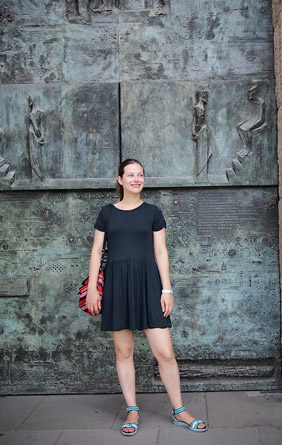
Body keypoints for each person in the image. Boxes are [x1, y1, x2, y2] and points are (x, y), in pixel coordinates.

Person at [84, 156, 207, 434]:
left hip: (148, 284)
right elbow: (96, 251)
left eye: (140, 175)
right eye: (130, 175)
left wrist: (167, 289)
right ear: (120, 179)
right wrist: (93, 288)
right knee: (123, 351)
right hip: (116, 285)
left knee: (165, 352)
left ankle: (179, 411)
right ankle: (132, 412)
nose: (136, 179)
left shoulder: (153, 212)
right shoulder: (107, 213)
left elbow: (161, 252)